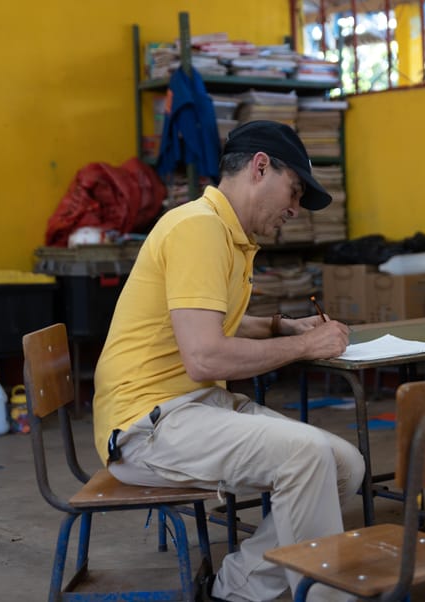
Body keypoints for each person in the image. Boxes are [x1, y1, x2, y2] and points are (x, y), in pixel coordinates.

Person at [93, 120, 365, 602]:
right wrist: (306, 347)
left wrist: (284, 326)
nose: (295, 210)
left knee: (347, 465)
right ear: (261, 167)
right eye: (295, 191)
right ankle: (324, 596)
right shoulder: (199, 228)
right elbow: (204, 354)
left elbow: (209, 324)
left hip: (191, 408)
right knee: (306, 456)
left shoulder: (227, 234)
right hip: (147, 425)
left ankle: (235, 588)